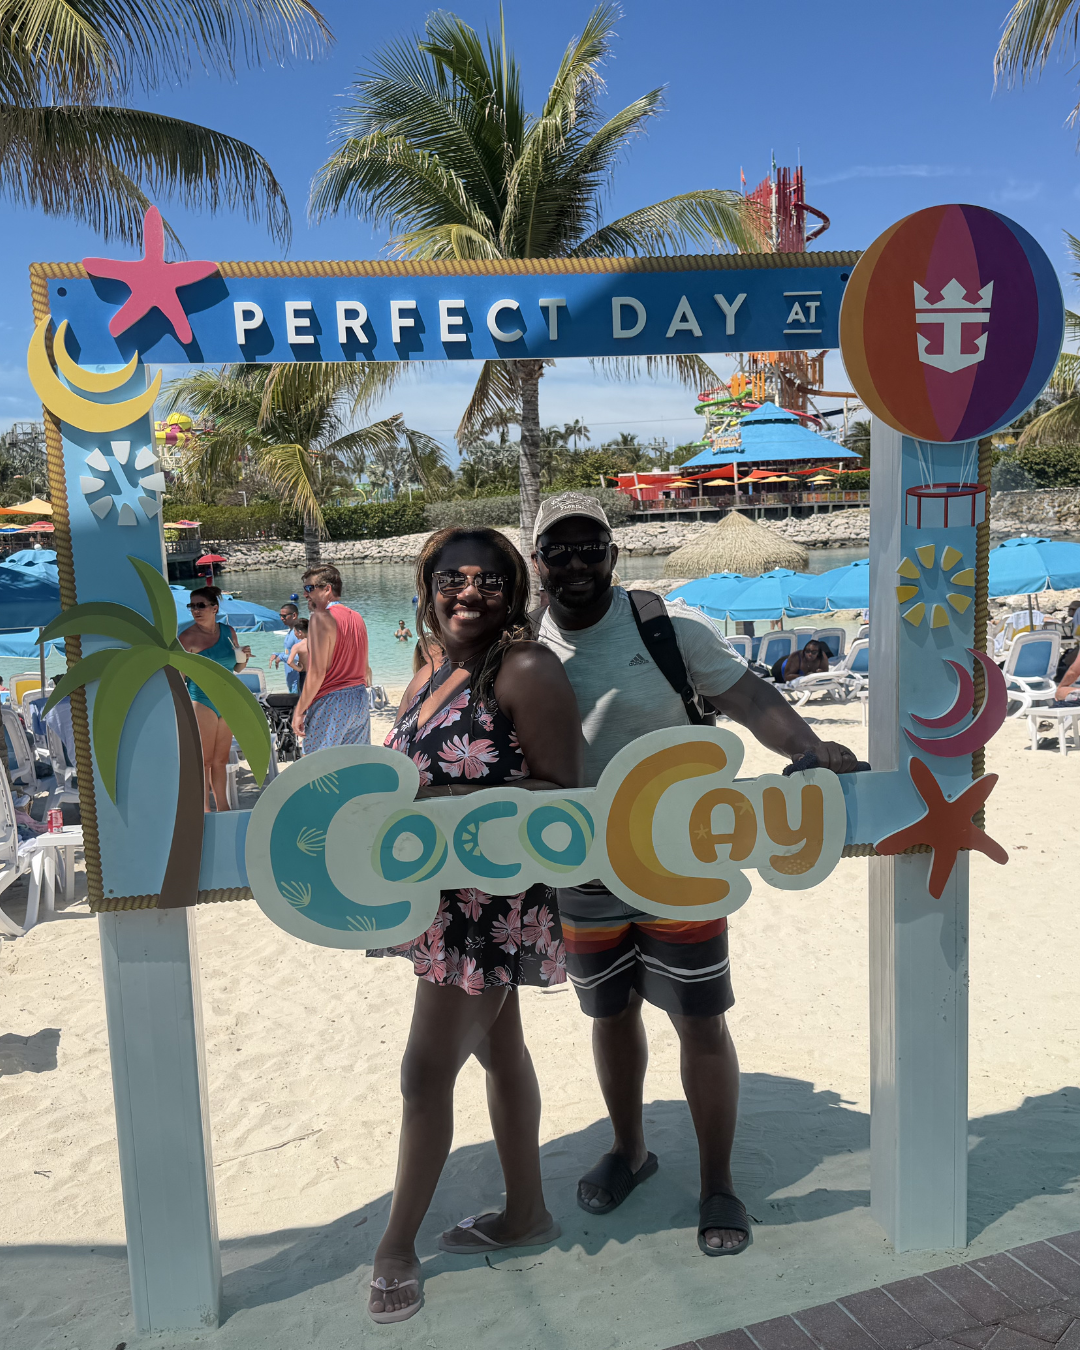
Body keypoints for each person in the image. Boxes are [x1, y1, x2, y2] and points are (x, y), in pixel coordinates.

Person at [531, 492, 859, 1259]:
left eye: (591, 549)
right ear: (537, 561)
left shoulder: (667, 634)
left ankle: (718, 1181)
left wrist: (811, 749)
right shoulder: (525, 647)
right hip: (580, 864)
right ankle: (631, 1150)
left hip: (681, 863)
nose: (576, 564)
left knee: (700, 1019)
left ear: (613, 555)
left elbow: (746, 696)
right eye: (559, 551)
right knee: (608, 1016)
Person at [367, 527, 583, 1326]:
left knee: (425, 1074)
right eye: (452, 579)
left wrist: (454, 806)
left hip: (491, 904)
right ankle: (527, 1211)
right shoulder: (430, 669)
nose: (469, 594)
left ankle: (396, 1245)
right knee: (501, 1049)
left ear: (514, 593)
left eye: (489, 582)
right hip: (438, 900)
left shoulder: (526, 668)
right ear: (426, 587)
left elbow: (566, 795)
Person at [178, 586, 252, 811]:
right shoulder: (186, 637)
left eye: (201, 605)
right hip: (201, 699)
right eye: (192, 606)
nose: (195, 610)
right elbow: (179, 678)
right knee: (205, 762)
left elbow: (237, 668)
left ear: (215, 608)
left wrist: (244, 656)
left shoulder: (228, 632)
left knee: (221, 761)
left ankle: (223, 808)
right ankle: (204, 811)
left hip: (227, 700)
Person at [292, 565, 373, 752]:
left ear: (327, 589)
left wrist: (300, 711)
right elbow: (366, 669)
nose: (305, 594)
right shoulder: (357, 618)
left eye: (309, 588)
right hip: (358, 698)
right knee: (353, 766)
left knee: (319, 770)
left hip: (331, 701)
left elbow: (317, 672)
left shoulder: (320, 618)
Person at [269, 602, 301, 693]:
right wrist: (277, 654)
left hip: (297, 680)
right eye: (280, 615)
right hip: (291, 680)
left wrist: (282, 657)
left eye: (284, 616)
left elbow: (302, 656)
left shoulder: (298, 633)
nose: (281, 618)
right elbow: (289, 653)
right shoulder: (291, 631)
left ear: (294, 615)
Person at [286, 617, 309, 693]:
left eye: (294, 631)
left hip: (305, 675)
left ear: (300, 632)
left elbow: (289, 662)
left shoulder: (298, 646)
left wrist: (298, 668)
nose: (294, 634)